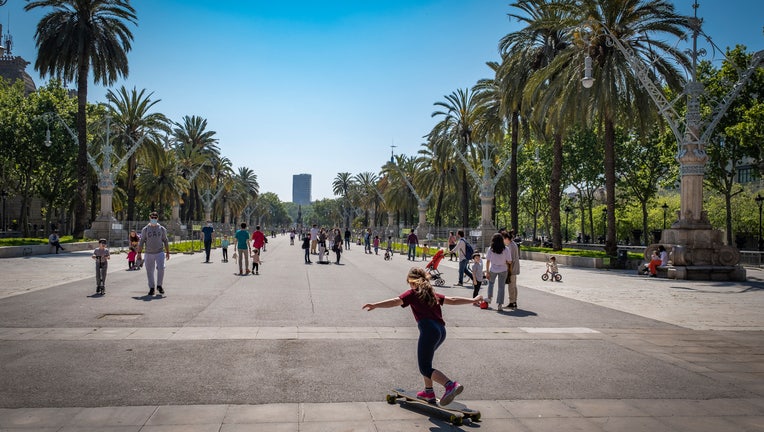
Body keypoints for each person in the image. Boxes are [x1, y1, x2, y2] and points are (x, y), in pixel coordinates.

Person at [362, 267, 482, 406]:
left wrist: (375, 305)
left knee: (424, 367)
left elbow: (396, 301)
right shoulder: (431, 293)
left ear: (412, 282)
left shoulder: (412, 293)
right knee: (426, 362)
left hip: (429, 331)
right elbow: (453, 300)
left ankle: (450, 385)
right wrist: (472, 300)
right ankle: (428, 392)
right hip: (441, 331)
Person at [136, 211, 171, 296]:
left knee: (161, 268)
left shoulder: (162, 229)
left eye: (155, 217)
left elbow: (165, 241)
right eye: (152, 217)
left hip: (159, 252)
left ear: (157, 218)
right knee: (149, 271)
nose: (154, 219)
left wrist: (167, 252)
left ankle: (159, 285)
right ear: (149, 218)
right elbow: (141, 242)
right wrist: (139, 253)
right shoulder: (145, 229)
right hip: (148, 253)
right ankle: (151, 288)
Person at [484, 233, 512, 311]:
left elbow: (488, 261)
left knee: (491, 284)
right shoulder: (506, 249)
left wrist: (487, 271)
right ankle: (500, 304)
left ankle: (489, 298)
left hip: (493, 269)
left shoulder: (491, 249)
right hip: (503, 269)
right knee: (501, 287)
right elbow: (509, 261)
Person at [503, 230, 520, 309]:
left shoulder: (510, 246)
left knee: (511, 286)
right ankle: (514, 301)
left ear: (507, 238)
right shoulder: (513, 244)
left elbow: (510, 260)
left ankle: (512, 302)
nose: (503, 241)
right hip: (514, 268)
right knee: (513, 285)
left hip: (511, 268)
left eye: (504, 239)